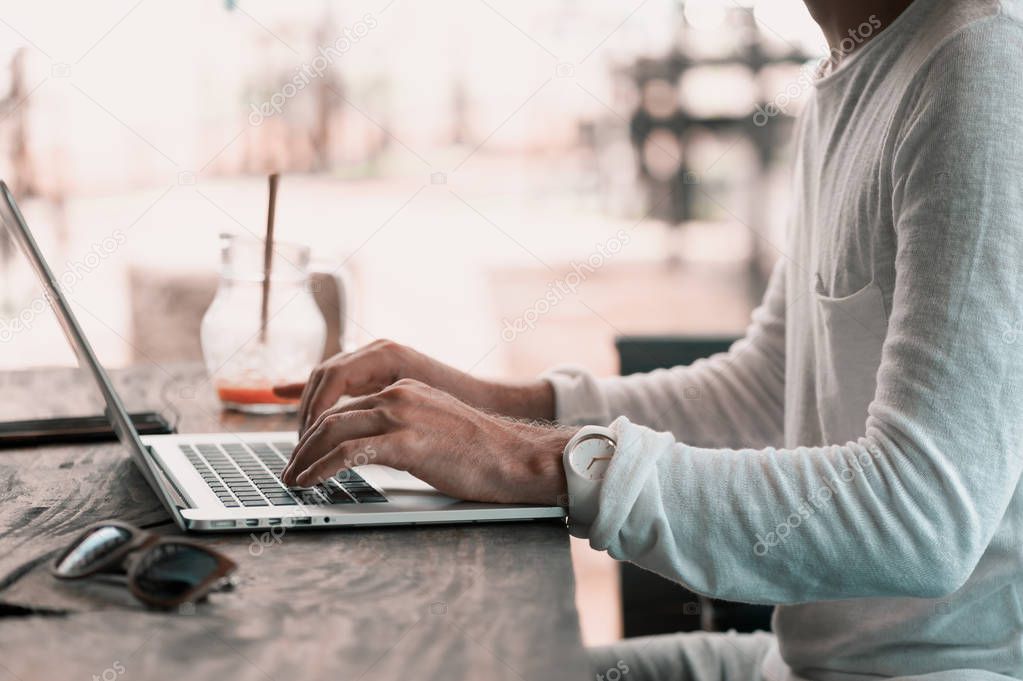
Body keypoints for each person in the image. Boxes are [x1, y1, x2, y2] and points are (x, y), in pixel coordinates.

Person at [275, 0, 1023, 677]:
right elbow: (765, 389)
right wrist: (475, 403)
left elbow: (924, 515)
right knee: (476, 667)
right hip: (793, 663)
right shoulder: (850, 69)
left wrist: (526, 457)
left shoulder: (980, 70)